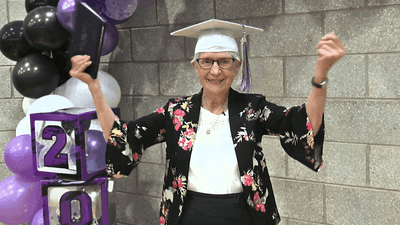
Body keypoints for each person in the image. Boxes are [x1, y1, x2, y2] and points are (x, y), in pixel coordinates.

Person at [70, 19, 345, 225]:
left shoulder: (252, 109)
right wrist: (94, 87)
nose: (215, 70)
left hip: (244, 215)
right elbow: (124, 137)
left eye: (224, 61)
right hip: (188, 215)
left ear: (237, 66)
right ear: (195, 66)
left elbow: (302, 125)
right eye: (206, 62)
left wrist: (320, 74)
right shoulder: (177, 111)